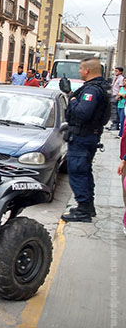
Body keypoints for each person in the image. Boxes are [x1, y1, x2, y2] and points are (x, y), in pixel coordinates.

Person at [61, 57, 112, 223]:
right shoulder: (97, 88)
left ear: (87, 71)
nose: (79, 72)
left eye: (81, 69)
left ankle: (83, 209)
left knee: (78, 172)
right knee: (84, 171)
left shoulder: (92, 90)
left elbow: (83, 113)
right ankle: (87, 206)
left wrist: (73, 100)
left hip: (83, 137)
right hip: (88, 136)